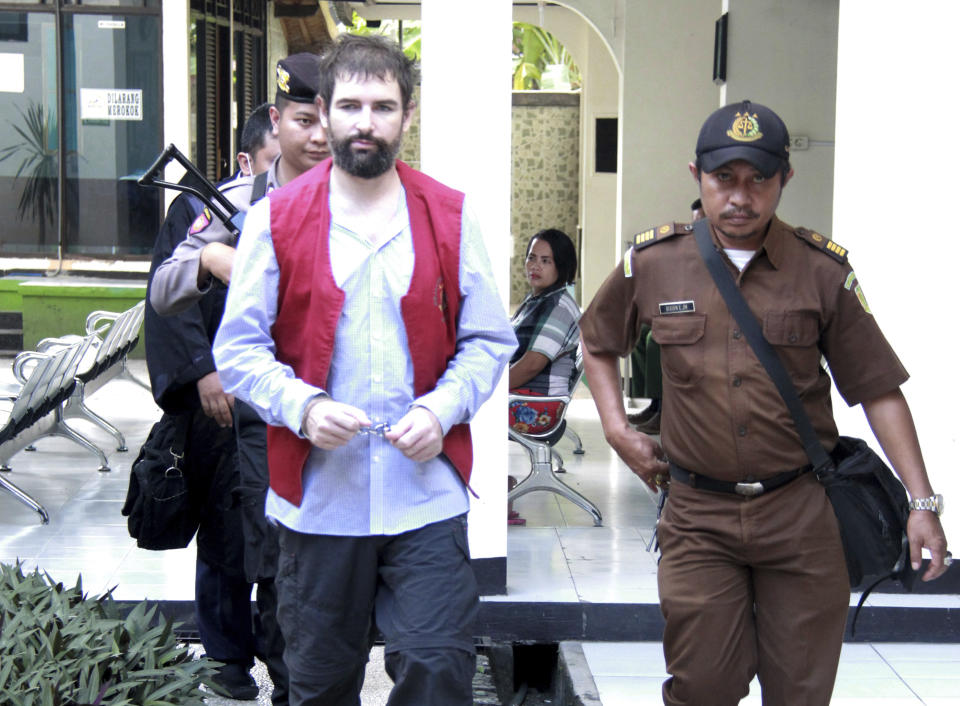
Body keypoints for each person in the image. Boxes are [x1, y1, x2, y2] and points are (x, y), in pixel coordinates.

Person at [578, 100, 950, 705]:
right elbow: (596, 344)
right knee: (704, 685)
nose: (741, 198)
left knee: (800, 692)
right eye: (724, 179)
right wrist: (618, 430)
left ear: (785, 180)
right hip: (699, 515)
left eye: (759, 181)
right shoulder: (653, 262)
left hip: (801, 513)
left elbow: (879, 389)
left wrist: (922, 502)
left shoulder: (822, 271)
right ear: (696, 174)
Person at [212, 34, 517, 706]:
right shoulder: (276, 220)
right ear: (323, 113)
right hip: (321, 503)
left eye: (383, 106)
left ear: (407, 116)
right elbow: (237, 349)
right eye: (350, 104)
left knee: (438, 667)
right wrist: (303, 407)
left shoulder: (449, 216)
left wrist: (442, 411)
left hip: (425, 496)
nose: (366, 121)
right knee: (318, 684)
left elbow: (490, 339)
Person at [144, 102, 282, 701]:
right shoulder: (204, 208)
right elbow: (166, 297)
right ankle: (227, 656)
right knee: (224, 531)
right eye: (274, 163)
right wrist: (202, 372)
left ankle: (289, 665)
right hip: (219, 398)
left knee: (279, 537)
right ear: (248, 159)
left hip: (282, 401)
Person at [150, 52, 330, 317]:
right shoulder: (239, 200)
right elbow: (162, 293)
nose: (319, 136)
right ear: (276, 120)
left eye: (328, 122)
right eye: (305, 121)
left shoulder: (357, 198)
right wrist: (207, 258)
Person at [508, 228, 580, 434]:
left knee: (464, 407)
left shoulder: (559, 307)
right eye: (532, 258)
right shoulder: (537, 299)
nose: (535, 266)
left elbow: (532, 364)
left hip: (538, 404)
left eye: (546, 261)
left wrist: (492, 389)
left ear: (562, 266)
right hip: (523, 393)